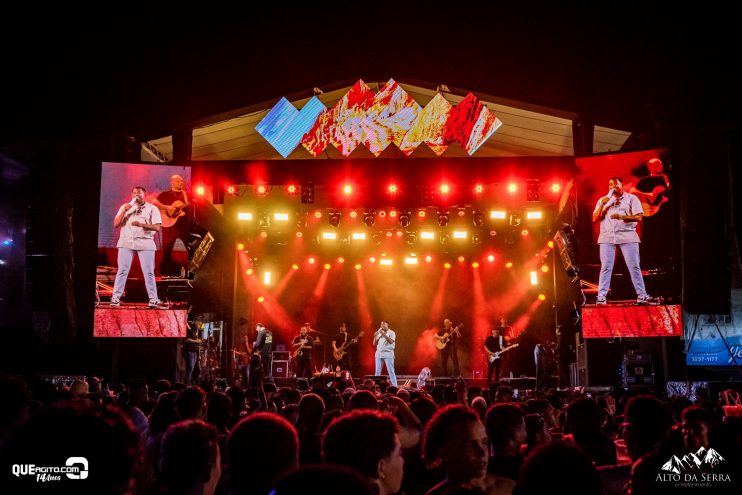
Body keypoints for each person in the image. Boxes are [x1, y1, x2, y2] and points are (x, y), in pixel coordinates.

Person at [592, 177, 659, 305]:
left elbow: (639, 217)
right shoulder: (603, 200)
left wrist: (622, 217)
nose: (612, 186)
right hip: (607, 236)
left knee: (633, 266)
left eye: (615, 184)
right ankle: (601, 297)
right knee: (606, 267)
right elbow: (595, 218)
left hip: (627, 235)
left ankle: (642, 296)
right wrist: (602, 205)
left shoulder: (632, 199)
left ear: (621, 185)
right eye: (610, 184)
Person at [110, 186, 166, 308]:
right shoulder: (125, 207)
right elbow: (116, 224)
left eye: (139, 193)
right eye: (134, 193)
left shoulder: (152, 208)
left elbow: (157, 227)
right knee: (122, 270)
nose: (136, 195)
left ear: (144, 195)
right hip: (126, 242)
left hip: (145, 242)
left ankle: (153, 299)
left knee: (148, 272)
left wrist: (141, 224)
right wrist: (125, 210)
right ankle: (115, 299)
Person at [151, 174, 190, 277]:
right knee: (167, 251)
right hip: (169, 227)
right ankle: (165, 274)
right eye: (178, 181)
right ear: (172, 182)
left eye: (182, 181)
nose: (181, 182)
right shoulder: (165, 194)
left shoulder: (187, 195)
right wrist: (167, 207)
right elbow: (154, 202)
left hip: (183, 227)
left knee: (190, 249)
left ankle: (191, 274)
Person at [374, 320, 397, 386]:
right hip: (379, 354)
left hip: (388, 354)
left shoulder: (392, 332)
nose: (382, 326)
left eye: (384, 324)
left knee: (391, 371)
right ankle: (375, 386)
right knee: (377, 370)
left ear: (387, 325)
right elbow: (374, 343)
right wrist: (375, 336)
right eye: (381, 324)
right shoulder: (379, 332)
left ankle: (394, 386)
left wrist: (383, 334)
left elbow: (390, 341)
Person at [185, 316, 204, 385]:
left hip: (195, 351)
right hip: (190, 351)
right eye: (199, 324)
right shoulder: (190, 329)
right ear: (196, 322)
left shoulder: (196, 331)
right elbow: (187, 339)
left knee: (194, 369)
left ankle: (191, 382)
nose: (200, 326)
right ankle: (187, 383)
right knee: (190, 368)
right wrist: (197, 341)